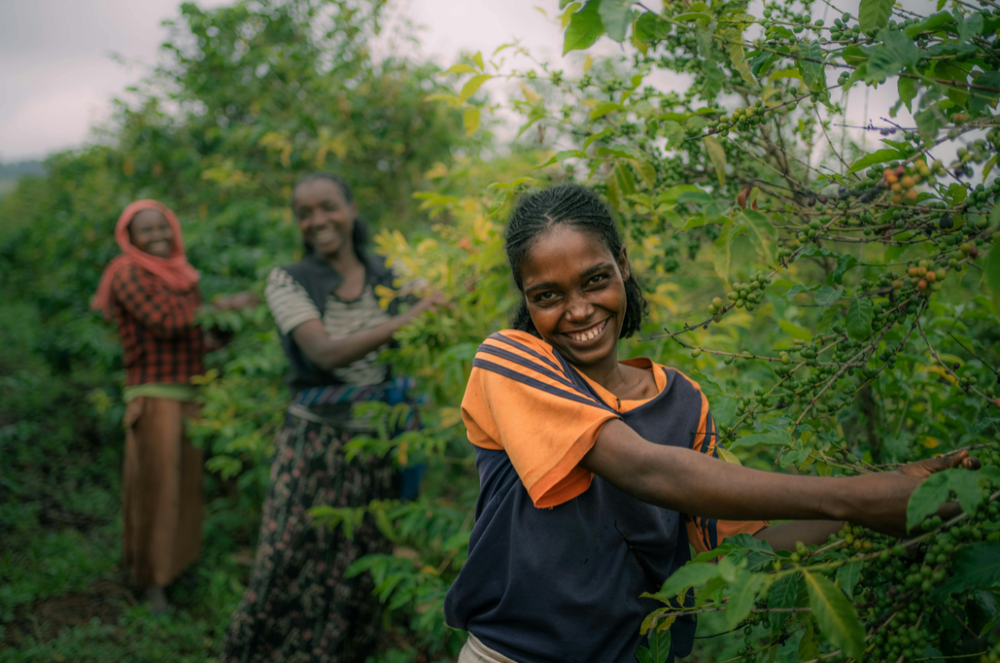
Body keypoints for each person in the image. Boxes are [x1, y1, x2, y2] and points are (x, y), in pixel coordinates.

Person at [443, 184, 978, 663]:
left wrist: (894, 496)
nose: (579, 310)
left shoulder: (683, 401)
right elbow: (646, 469)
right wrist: (858, 497)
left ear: (623, 264)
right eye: (548, 296)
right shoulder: (509, 363)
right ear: (526, 299)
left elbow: (746, 542)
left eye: (596, 280)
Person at [222, 173, 445, 663]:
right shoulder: (288, 280)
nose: (317, 220)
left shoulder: (390, 272)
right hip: (315, 445)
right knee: (289, 559)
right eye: (305, 213)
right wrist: (409, 317)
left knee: (360, 563)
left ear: (351, 208)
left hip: (378, 443)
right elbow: (323, 352)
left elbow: (442, 305)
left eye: (327, 207)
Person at [92, 199, 256, 614]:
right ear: (130, 237)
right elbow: (166, 322)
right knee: (157, 488)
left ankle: (177, 568)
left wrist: (227, 328)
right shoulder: (127, 272)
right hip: (154, 396)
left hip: (191, 395)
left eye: (162, 226)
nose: (158, 235)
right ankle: (152, 581)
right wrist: (226, 306)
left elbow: (197, 337)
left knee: (186, 488)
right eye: (146, 230)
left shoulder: (184, 275)